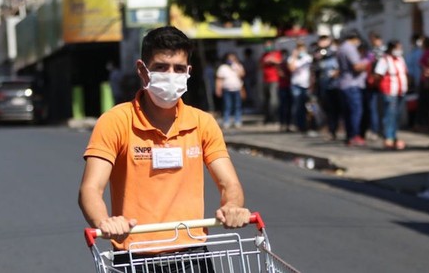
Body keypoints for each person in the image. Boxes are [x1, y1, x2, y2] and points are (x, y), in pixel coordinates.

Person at [78, 26, 251, 271]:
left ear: (188, 72)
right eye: (161, 67)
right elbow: (91, 188)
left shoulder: (202, 123)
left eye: (179, 69)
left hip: (192, 255)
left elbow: (229, 184)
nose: (171, 75)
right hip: (135, 256)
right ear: (142, 70)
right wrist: (105, 221)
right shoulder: (115, 121)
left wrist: (232, 206)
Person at [374, 40, 409, 150]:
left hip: (400, 91)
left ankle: (393, 136)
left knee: (396, 115)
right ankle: (388, 137)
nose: (399, 50)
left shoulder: (400, 59)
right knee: (389, 115)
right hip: (390, 91)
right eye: (398, 48)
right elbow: (378, 75)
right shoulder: (385, 60)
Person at [337, 30, 368, 146]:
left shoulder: (341, 48)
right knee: (356, 111)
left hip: (344, 84)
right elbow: (357, 66)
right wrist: (367, 62)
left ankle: (349, 136)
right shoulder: (349, 48)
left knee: (348, 112)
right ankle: (355, 135)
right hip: (352, 84)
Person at [288, 41, 313, 133]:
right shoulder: (292, 58)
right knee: (297, 106)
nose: (301, 49)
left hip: (306, 85)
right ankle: (299, 125)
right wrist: (294, 56)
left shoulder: (308, 58)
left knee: (307, 107)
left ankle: (308, 125)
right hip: (296, 85)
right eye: (299, 48)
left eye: (302, 47)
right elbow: (291, 68)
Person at [216, 52, 246, 129]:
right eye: (229, 58)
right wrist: (218, 89)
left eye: (233, 58)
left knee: (238, 106)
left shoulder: (238, 66)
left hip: (237, 89)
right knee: (227, 105)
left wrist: (237, 67)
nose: (231, 60)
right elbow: (219, 79)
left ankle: (237, 121)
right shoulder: (223, 68)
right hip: (227, 89)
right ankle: (226, 121)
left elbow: (242, 75)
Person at [260, 40, 282, 124]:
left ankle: (274, 118)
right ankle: (267, 117)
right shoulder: (264, 55)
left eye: (268, 45)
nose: (267, 47)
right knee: (266, 100)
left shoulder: (276, 54)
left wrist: (273, 60)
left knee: (274, 101)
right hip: (265, 80)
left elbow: (280, 63)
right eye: (265, 45)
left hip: (274, 80)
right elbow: (260, 66)